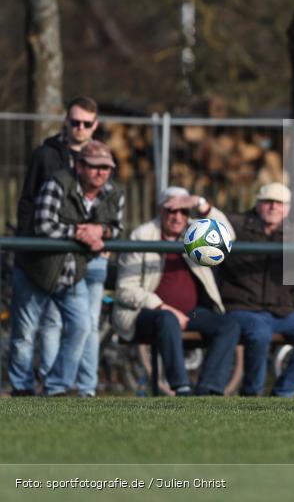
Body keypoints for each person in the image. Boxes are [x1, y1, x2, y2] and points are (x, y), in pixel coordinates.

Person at [8, 140, 124, 396]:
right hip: (35, 268)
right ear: (79, 166)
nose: (101, 173)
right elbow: (44, 226)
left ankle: (57, 386)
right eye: (95, 167)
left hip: (72, 274)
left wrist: (99, 230)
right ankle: (22, 388)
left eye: (106, 168)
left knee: (82, 326)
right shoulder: (56, 183)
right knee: (25, 333)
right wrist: (77, 233)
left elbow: (117, 228)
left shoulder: (114, 192)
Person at [114, 187, 240, 396]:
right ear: (159, 210)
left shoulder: (195, 232)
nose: (177, 217)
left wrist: (200, 203)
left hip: (191, 313)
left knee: (230, 325)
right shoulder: (142, 235)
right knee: (167, 319)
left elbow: (229, 236)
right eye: (170, 210)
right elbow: (126, 290)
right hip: (148, 313)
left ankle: (208, 390)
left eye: (183, 211)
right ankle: (181, 388)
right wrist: (162, 306)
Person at [220, 182, 294, 397]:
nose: (273, 207)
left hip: (281, 311)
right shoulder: (237, 225)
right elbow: (213, 221)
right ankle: (252, 393)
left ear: (287, 208)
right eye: (268, 202)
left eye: (279, 203)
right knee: (259, 333)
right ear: (258, 204)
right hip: (242, 307)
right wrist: (201, 205)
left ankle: (283, 392)